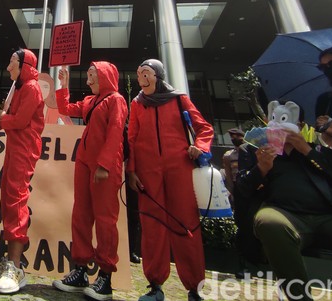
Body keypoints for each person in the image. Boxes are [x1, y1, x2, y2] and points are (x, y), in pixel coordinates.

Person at [126, 59, 214, 301]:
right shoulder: (136, 103)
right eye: (139, 72)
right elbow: (131, 139)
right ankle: (155, 285)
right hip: (147, 174)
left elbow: (204, 128)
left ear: (158, 75)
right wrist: (131, 171)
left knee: (185, 225)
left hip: (180, 169)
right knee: (152, 226)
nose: (141, 76)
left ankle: (194, 287)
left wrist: (199, 146)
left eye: (146, 72)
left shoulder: (178, 99)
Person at [236, 129, 332, 301]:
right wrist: (261, 169)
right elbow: (242, 190)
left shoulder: (320, 151)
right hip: (284, 215)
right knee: (270, 223)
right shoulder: (254, 150)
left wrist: (307, 151)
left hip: (329, 217)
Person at [51, 61, 128, 301]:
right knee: (81, 215)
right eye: (87, 76)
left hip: (104, 166)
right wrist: (63, 85)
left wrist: (104, 164)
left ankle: (105, 276)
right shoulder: (91, 102)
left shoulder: (116, 100)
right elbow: (65, 108)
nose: (88, 80)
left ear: (105, 76)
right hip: (85, 164)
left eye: (92, 75)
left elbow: (116, 132)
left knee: (105, 219)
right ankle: (81, 270)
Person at [0, 48, 44, 294]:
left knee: (16, 201)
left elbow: (20, 121)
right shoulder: (21, 86)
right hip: (16, 147)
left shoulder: (31, 88)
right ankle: (9, 262)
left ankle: (16, 268)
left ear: (24, 65)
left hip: (24, 149)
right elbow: (16, 120)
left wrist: (3, 117)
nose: (8, 67)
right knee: (8, 200)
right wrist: (5, 119)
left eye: (12, 62)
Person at [222, 127, 244, 205]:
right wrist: (232, 190)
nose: (234, 139)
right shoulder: (228, 155)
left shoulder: (252, 151)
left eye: (237, 137)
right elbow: (228, 174)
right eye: (232, 137)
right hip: (237, 184)